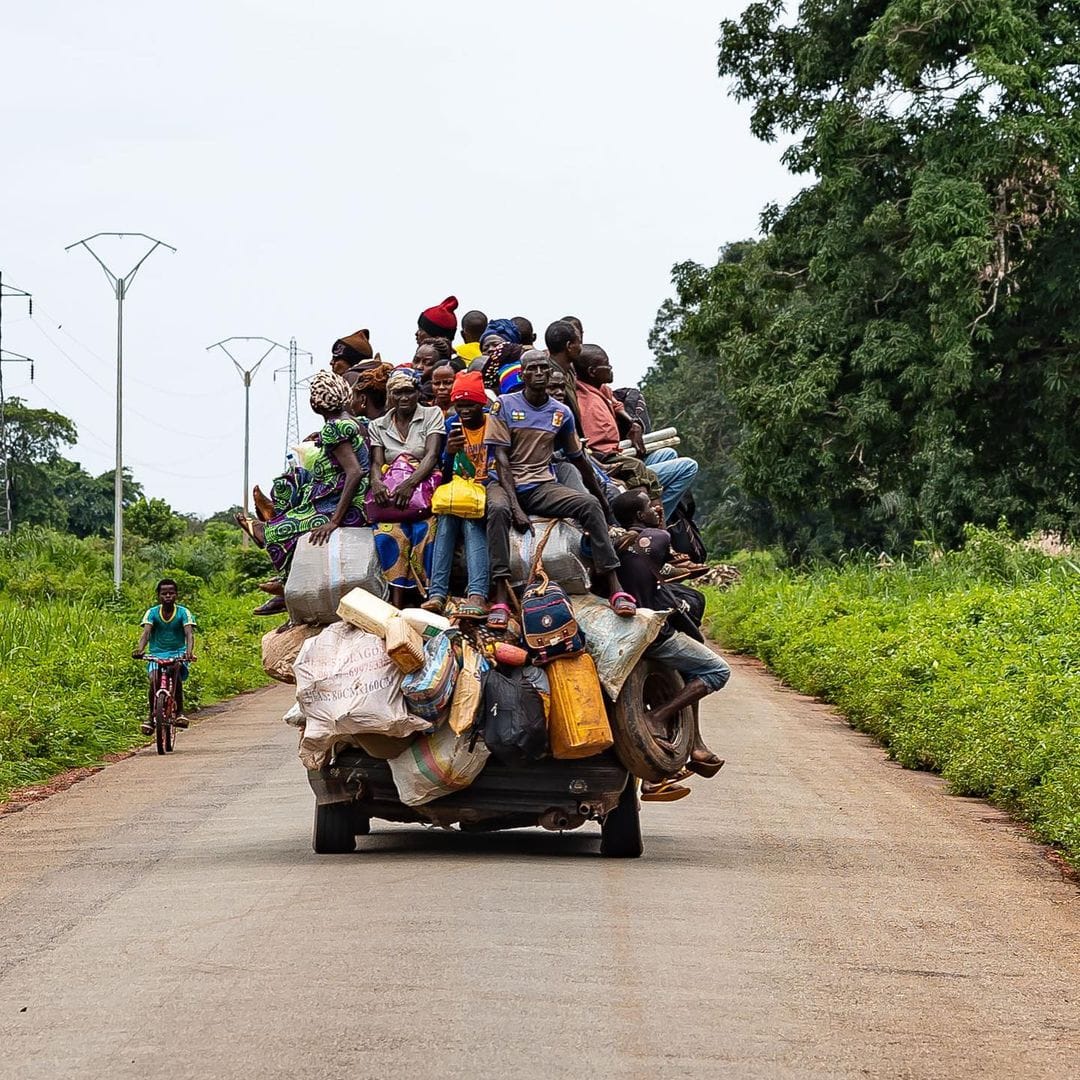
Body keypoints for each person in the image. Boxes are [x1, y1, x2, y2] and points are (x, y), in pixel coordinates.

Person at [484, 352, 637, 629]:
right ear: (523, 375)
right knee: (496, 510)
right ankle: (500, 595)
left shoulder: (560, 412)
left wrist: (604, 504)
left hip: (541, 484)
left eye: (544, 367)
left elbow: (578, 459)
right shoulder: (503, 406)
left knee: (587, 505)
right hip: (504, 483)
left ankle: (614, 585)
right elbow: (502, 459)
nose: (540, 373)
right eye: (533, 369)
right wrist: (516, 508)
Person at [611, 488, 729, 790]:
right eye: (651, 507)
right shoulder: (658, 537)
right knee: (716, 671)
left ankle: (690, 746)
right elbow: (670, 559)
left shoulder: (611, 541)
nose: (657, 510)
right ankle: (659, 718)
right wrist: (660, 528)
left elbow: (652, 566)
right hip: (651, 632)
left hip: (620, 629)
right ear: (640, 516)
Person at [238, 372, 370, 614]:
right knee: (290, 481)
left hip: (345, 504)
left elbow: (354, 472)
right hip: (332, 492)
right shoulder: (355, 422)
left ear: (314, 404)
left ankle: (275, 554)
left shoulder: (334, 429)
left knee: (278, 532)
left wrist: (334, 521)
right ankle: (275, 515)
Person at [575, 344, 699, 522]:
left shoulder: (600, 388)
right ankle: (654, 522)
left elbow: (616, 403)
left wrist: (633, 423)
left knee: (668, 452)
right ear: (592, 371)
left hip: (619, 453)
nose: (611, 369)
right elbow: (596, 450)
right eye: (607, 366)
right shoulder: (588, 405)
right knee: (688, 467)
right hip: (610, 465)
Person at [368, 369, 445, 605]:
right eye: (398, 393)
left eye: (409, 392)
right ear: (391, 395)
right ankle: (396, 598)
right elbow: (377, 462)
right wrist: (376, 482)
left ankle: (428, 595)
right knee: (389, 533)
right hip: (393, 489)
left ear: (418, 393)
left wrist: (410, 484)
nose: (404, 398)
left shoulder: (432, 415)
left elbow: (432, 455)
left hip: (422, 485)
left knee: (426, 531)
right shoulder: (378, 425)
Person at [421, 370, 492, 619]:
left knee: (471, 524)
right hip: (460, 488)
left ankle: (477, 594)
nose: (464, 411)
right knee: (446, 522)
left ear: (481, 404)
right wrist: (449, 452)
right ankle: (437, 595)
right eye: (459, 406)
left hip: (484, 488)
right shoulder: (452, 425)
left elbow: (499, 463)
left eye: (469, 405)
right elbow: (447, 473)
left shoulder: (492, 425)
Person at [133, 578, 195, 735]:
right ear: (158, 595)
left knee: (176, 673)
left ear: (176, 595)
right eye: (164, 593)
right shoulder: (152, 613)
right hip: (156, 654)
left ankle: (180, 712)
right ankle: (150, 717)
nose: (168, 596)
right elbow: (146, 632)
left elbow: (189, 634)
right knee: (154, 680)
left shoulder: (183, 612)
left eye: (171, 593)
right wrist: (140, 650)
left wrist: (188, 652)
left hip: (177, 653)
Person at [544, 320, 584, 429]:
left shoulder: (569, 371)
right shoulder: (549, 378)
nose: (581, 347)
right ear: (569, 346)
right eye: (579, 342)